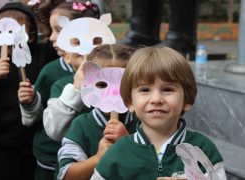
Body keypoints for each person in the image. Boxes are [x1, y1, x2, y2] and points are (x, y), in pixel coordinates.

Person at [91, 46, 227, 179]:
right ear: (130, 102)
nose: (156, 99)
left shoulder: (203, 149)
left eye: (167, 89)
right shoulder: (118, 152)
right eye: (144, 90)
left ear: (186, 100)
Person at [18, 2, 100, 179]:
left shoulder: (110, 71)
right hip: (50, 157)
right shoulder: (52, 73)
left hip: (95, 159)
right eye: (51, 29)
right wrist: (30, 102)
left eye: (59, 30)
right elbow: (42, 120)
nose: (52, 38)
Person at [0, 2, 55, 180]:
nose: (7, 36)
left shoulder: (43, 54)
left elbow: (55, 38)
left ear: (31, 36)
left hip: (34, 143)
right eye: (0, 30)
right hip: (1, 145)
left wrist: (44, 16)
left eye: (14, 30)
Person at [57, 44, 136, 180]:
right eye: (101, 85)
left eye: (122, 84)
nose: (112, 93)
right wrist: (98, 158)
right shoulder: (81, 126)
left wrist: (128, 145)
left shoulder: (144, 124)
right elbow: (66, 175)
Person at [120, 0, 199, 59]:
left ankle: (181, 37)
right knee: (142, 32)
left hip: (182, 37)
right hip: (141, 32)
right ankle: (142, 34)